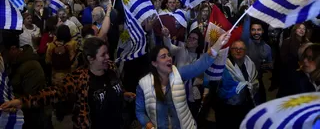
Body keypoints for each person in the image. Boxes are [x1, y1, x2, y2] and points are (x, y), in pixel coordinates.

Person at [0, 37, 136, 129]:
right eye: (103, 55)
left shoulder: (112, 68)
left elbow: (115, 89)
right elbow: (52, 93)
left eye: (107, 53)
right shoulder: (79, 78)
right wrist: (21, 102)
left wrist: (123, 94)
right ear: (90, 58)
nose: (108, 57)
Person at [135, 33, 231, 129]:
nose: (169, 58)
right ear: (154, 63)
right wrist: (148, 124)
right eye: (163, 56)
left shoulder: (178, 73)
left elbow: (198, 66)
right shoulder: (143, 84)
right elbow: (139, 111)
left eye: (169, 55)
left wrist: (218, 44)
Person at [1, 31, 48, 129]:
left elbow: (34, 97)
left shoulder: (32, 66)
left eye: (3, 53)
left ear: (13, 49)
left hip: (30, 120)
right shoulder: (11, 63)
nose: (1, 56)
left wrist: (12, 101)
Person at [215, 40, 259, 129]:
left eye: (241, 49)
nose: (238, 51)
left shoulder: (250, 64)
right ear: (230, 50)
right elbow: (220, 87)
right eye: (235, 48)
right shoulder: (223, 65)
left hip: (245, 106)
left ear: (245, 51)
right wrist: (238, 87)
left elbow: (254, 82)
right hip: (226, 108)